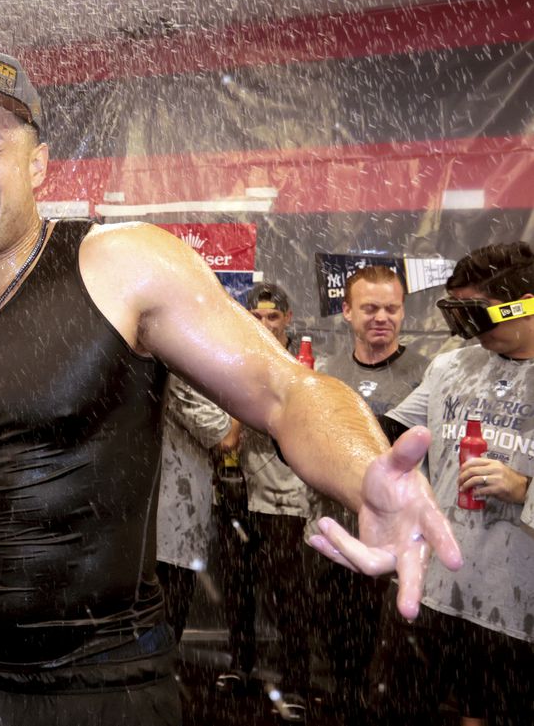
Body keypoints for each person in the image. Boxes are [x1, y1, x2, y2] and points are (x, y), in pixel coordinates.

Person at [0, 45, 461, 726]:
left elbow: (286, 391)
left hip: (100, 687)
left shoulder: (120, 267)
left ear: (37, 164)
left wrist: (366, 469)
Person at [371, 243, 534, 726]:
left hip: (515, 604)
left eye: (474, 313)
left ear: (522, 302)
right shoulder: (451, 366)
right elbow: (392, 435)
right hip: (431, 586)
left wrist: (523, 489)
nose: (465, 331)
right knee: (393, 706)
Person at [309, 265, 428, 724]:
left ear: (403, 312)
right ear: (346, 311)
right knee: (340, 658)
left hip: (399, 546)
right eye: (370, 307)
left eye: (392, 308)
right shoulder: (325, 376)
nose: (382, 317)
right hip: (337, 536)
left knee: (396, 668)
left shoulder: (426, 374)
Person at [213, 283, 316, 720]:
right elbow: (222, 436)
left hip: (288, 499)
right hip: (238, 491)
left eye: (272, 317)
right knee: (238, 590)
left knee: (289, 597)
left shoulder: (305, 365)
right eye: (256, 318)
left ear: (287, 319)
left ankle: (297, 682)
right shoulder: (231, 361)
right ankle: (241, 666)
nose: (265, 325)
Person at [154, 375, 230, 641]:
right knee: (165, 621)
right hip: (172, 522)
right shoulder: (178, 372)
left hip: (171, 521)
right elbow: (225, 437)